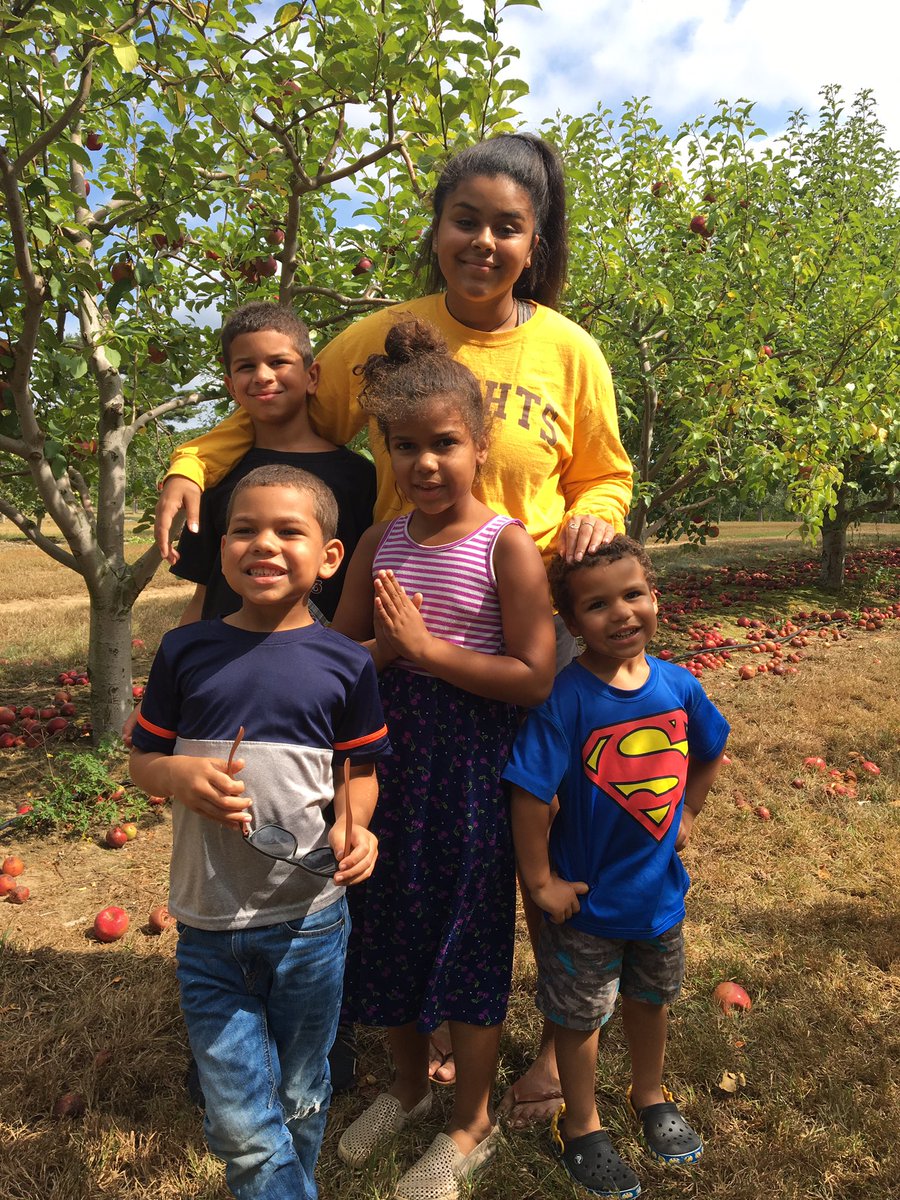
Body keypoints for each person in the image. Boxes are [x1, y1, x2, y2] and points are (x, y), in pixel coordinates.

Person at [151, 131, 634, 1116]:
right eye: (466, 220)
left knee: (543, 863)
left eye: (508, 227)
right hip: (404, 645)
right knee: (419, 862)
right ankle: (420, 1052)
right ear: (437, 229)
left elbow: (604, 469)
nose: (483, 243)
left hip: (519, 638)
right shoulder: (376, 336)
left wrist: (602, 510)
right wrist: (190, 463)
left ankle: (555, 1053)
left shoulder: (569, 350)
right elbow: (272, 406)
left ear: (534, 244)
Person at [330, 319, 557, 1200]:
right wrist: (389, 653)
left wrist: (426, 649)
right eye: (405, 447)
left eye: (445, 445)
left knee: (468, 929)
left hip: (469, 768)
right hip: (389, 761)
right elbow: (346, 658)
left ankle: (472, 1122)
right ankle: (406, 1084)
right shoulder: (384, 543)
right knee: (384, 916)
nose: (425, 464)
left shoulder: (504, 544)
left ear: (481, 442)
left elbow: (535, 677)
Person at [129, 465, 391, 1200]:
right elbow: (142, 760)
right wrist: (177, 776)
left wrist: (357, 824)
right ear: (220, 550)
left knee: (304, 1088)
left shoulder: (344, 664)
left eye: (287, 530)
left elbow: (360, 769)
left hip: (310, 924)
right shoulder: (188, 652)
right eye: (243, 529)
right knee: (242, 1126)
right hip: (208, 924)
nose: (262, 544)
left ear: (329, 558)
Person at [504, 536, 730, 1199]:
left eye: (633, 595)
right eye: (597, 605)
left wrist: (688, 812)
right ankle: (582, 1124)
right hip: (587, 907)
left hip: (659, 898)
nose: (621, 614)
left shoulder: (680, 686)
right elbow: (528, 792)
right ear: (573, 625)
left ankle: (649, 1093)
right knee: (578, 1018)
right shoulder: (564, 699)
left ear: (655, 599)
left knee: (651, 999)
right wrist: (540, 880)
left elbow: (712, 747)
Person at [170, 300, 375, 624]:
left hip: (322, 663)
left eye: (278, 362)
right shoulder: (216, 475)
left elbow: (363, 591)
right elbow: (203, 595)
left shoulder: (360, 478)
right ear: (231, 386)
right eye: (246, 366)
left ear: (312, 376)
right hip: (223, 665)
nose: (263, 376)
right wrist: (176, 665)